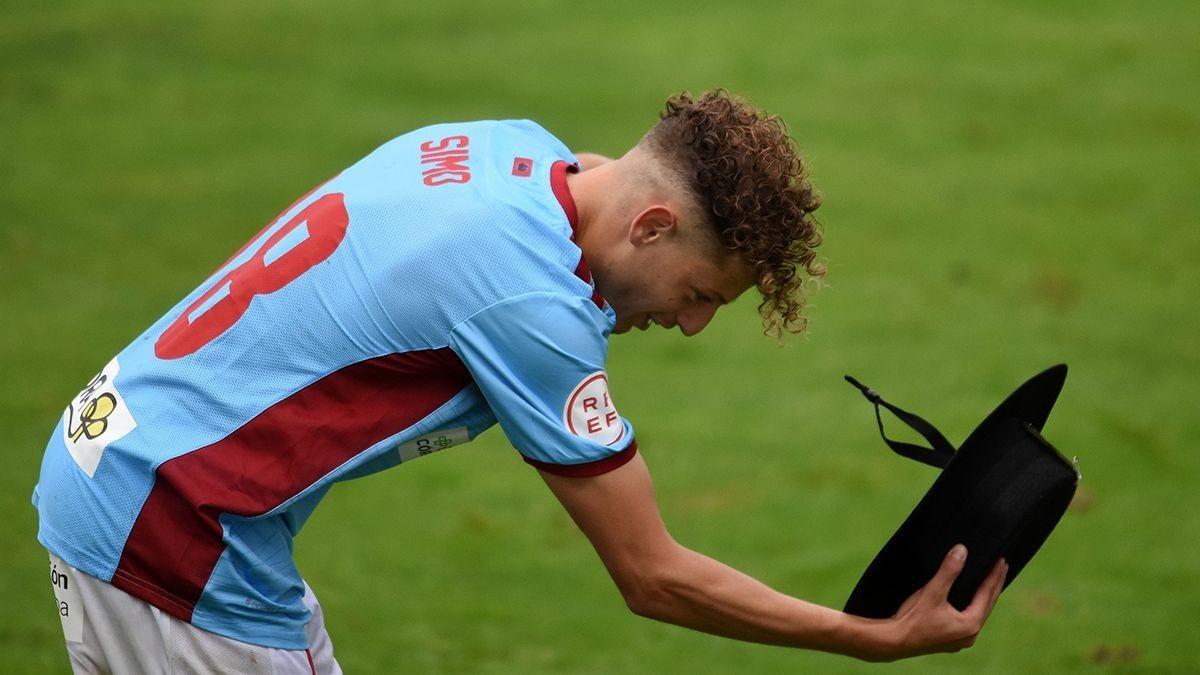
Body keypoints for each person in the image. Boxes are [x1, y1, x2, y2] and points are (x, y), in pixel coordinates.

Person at [35, 89, 1007, 672]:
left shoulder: (510, 148)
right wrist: (866, 637)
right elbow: (653, 576)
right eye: (703, 291)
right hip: (174, 533)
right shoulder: (530, 308)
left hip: (120, 461)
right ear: (655, 226)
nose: (694, 322)